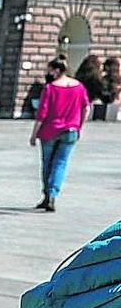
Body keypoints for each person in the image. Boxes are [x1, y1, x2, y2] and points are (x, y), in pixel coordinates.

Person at [31, 58, 90, 213]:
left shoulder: (50, 88)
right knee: (61, 164)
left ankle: (47, 196)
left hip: (49, 131)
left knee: (47, 164)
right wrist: (79, 127)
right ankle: (52, 194)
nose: (47, 73)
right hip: (71, 130)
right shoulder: (79, 87)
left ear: (56, 70)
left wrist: (34, 134)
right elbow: (86, 108)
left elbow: (41, 114)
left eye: (49, 70)